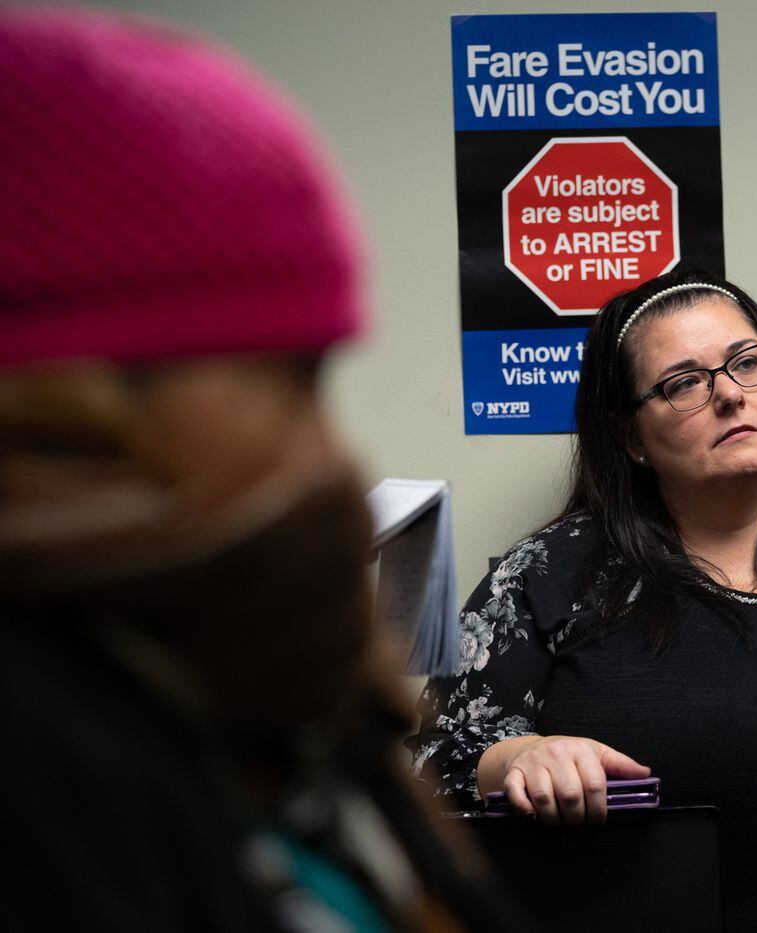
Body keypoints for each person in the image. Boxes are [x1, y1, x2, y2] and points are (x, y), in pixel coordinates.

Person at [0, 9, 533, 932]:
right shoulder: (43, 756)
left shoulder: (264, 688)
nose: (331, 453)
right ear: (74, 391)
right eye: (290, 379)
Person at [412, 267, 757, 931]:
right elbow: (424, 762)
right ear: (631, 437)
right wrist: (514, 758)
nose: (729, 396)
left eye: (749, 363)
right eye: (684, 382)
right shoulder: (551, 576)